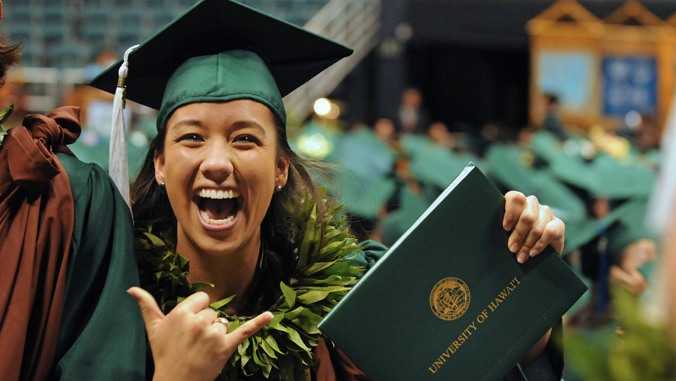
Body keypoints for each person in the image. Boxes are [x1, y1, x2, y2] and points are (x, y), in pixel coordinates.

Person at [88, 1, 567, 379]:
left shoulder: (359, 301)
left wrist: (525, 315)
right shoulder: (105, 309)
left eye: (245, 139)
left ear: (280, 169)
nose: (217, 162)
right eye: (192, 137)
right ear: (160, 165)